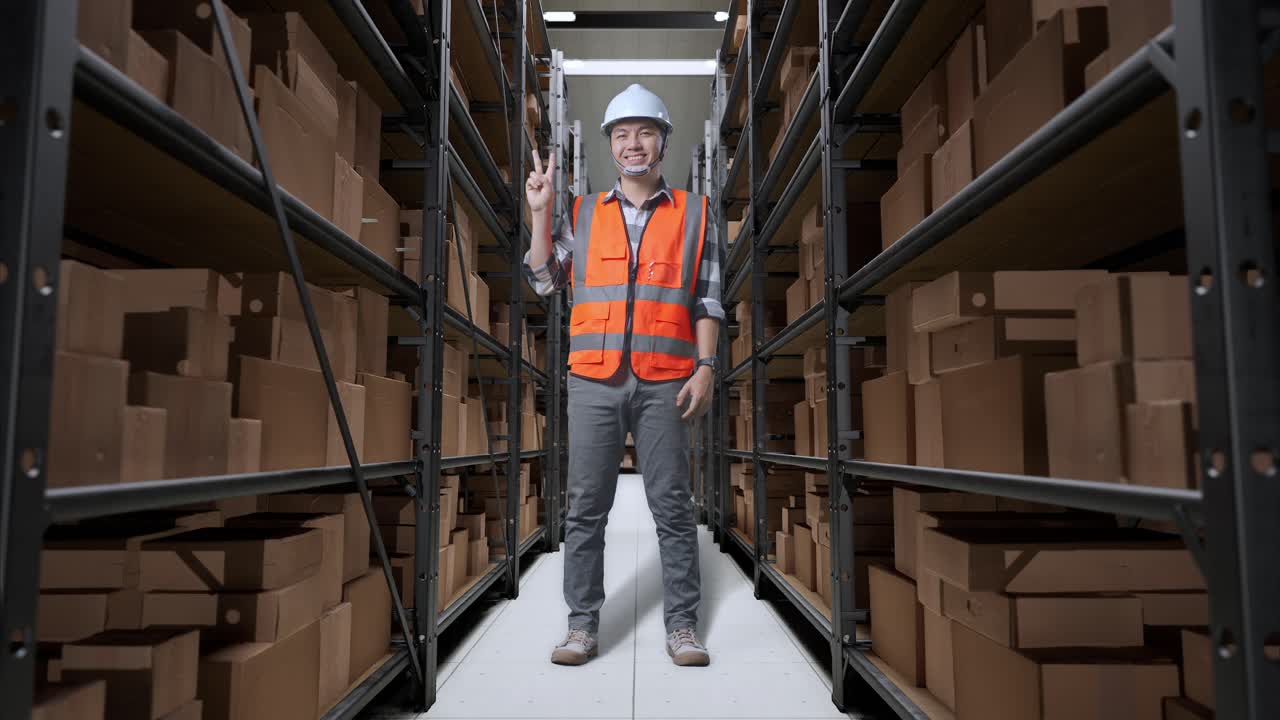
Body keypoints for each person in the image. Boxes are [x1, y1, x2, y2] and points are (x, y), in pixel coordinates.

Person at [523, 84, 723, 667]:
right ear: (611, 146)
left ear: (662, 141)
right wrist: (540, 214)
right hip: (594, 378)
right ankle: (581, 626)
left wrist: (706, 367)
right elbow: (543, 280)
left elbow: (708, 301)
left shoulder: (695, 212)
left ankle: (682, 627)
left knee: (673, 506)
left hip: (666, 378)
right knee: (585, 508)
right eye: (621, 134)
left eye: (644, 132)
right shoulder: (582, 212)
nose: (632, 144)